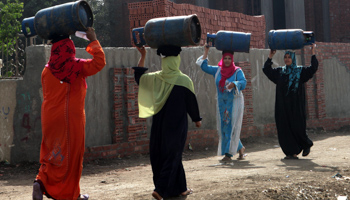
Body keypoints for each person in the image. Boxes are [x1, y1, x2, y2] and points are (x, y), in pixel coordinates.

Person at [32, 27, 106, 200]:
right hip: (70, 118)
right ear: (70, 47)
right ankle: (71, 195)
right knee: (72, 156)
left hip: (49, 118)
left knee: (51, 153)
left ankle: (40, 181)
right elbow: (99, 62)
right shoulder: (77, 67)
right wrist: (93, 40)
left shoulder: (46, 71)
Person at [133, 45, 202, 200]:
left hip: (159, 125)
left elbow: (139, 77)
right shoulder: (184, 80)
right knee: (173, 155)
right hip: (177, 126)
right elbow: (191, 102)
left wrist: (143, 54)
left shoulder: (156, 78)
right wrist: (196, 119)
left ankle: (181, 189)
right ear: (176, 61)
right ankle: (160, 189)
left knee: (164, 154)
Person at [263, 44, 318, 159]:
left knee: (298, 127)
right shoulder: (280, 72)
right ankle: (290, 152)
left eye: (289, 57)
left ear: (293, 59)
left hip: (296, 106)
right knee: (284, 129)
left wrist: (313, 52)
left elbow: (313, 68)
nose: (287, 59)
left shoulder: (300, 71)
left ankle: (305, 144)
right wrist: (270, 56)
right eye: (285, 57)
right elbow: (267, 70)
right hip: (282, 107)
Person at [196, 44, 247, 162]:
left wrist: (234, 84)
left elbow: (243, 82)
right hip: (222, 103)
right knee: (225, 127)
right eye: (225, 58)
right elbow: (204, 67)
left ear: (232, 59)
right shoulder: (218, 70)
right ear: (222, 59)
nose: (227, 61)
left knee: (232, 126)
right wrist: (206, 51)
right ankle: (240, 148)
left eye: (229, 58)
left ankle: (228, 154)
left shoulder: (237, 71)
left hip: (235, 101)